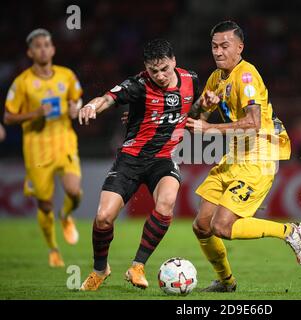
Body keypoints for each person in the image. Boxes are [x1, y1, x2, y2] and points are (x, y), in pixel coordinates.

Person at [186, 21, 301, 292]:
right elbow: (196, 121)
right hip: (236, 154)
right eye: (214, 46)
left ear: (240, 47)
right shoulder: (216, 78)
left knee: (223, 226)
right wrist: (201, 107)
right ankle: (227, 282)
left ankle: (289, 231)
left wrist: (209, 127)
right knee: (202, 226)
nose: (218, 52)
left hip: (259, 154)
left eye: (224, 46)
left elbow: (253, 122)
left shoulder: (246, 76)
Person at [78, 39, 200, 291]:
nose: (160, 76)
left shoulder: (191, 79)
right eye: (154, 71)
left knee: (166, 203)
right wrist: (92, 105)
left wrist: (204, 107)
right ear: (146, 68)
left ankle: (137, 266)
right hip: (130, 160)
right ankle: (100, 269)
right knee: (103, 218)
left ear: (174, 61)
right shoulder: (137, 85)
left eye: (165, 69)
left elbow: (192, 108)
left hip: (162, 160)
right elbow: (108, 97)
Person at [3, 29, 83, 267]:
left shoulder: (66, 75)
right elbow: (8, 117)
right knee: (44, 203)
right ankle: (53, 249)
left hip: (64, 140)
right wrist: (35, 114)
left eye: (47, 45)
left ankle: (66, 216)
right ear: (30, 52)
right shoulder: (22, 83)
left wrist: (75, 108)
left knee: (74, 192)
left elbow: (76, 99)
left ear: (53, 49)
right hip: (36, 148)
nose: (43, 49)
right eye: (38, 46)